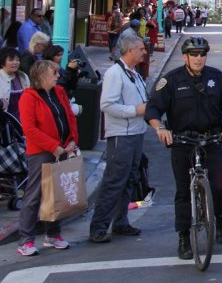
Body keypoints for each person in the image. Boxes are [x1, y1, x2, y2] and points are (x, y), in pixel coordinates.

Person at [145, 36, 222, 260]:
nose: (199, 58)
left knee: (219, 185)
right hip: (182, 142)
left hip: (211, 140)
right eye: (194, 54)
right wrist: (160, 128)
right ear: (185, 57)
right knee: (182, 192)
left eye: (202, 54)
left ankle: (221, 221)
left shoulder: (216, 78)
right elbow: (153, 109)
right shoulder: (171, 80)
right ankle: (183, 237)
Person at [89, 35, 149, 243]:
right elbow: (107, 105)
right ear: (129, 50)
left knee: (130, 179)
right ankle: (99, 226)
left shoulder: (134, 73)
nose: (144, 52)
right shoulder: (115, 73)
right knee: (115, 181)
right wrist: (135, 110)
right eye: (141, 49)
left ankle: (121, 221)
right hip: (122, 135)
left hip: (135, 132)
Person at [16, 60, 79, 255]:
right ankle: (25, 240)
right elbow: (29, 129)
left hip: (62, 148)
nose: (58, 76)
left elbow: (69, 117)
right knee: (34, 195)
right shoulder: (29, 97)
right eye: (54, 73)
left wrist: (71, 141)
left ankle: (52, 234)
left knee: (57, 194)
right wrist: (54, 147)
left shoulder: (59, 92)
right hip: (41, 151)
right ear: (41, 75)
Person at [0, 47, 30, 120]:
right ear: (2, 62)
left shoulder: (23, 76)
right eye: (11, 60)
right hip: (4, 119)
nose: (15, 62)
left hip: (23, 117)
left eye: (17, 60)